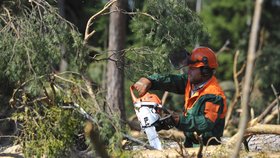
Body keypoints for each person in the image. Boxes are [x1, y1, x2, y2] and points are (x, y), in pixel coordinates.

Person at [133, 47, 227, 147]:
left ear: (205, 71)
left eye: (192, 69)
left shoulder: (214, 95)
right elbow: (170, 81)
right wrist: (150, 81)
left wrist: (179, 120)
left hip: (208, 146)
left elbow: (206, 123)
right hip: (190, 142)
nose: (189, 71)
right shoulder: (190, 82)